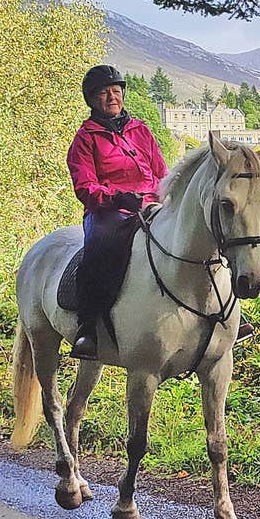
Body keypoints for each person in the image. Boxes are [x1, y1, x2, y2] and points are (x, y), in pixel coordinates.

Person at [65, 65, 168, 360]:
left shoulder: (141, 130)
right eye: (104, 93)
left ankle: (220, 313)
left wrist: (163, 197)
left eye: (116, 91)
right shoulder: (85, 138)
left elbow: (161, 172)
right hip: (109, 210)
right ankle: (87, 327)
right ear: (92, 99)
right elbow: (85, 187)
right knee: (97, 249)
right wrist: (118, 197)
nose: (112, 97)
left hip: (151, 204)